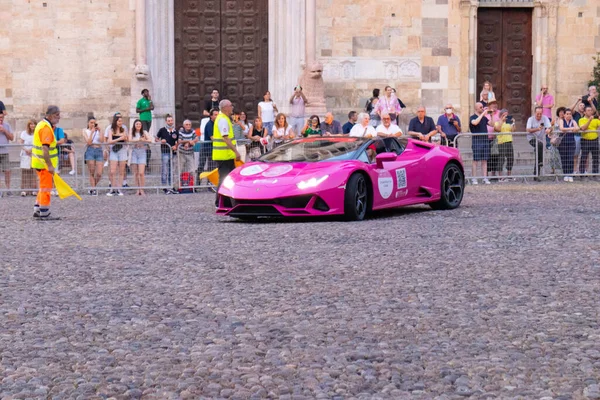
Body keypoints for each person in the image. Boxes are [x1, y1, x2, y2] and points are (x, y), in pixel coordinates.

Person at [31, 105, 60, 218]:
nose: (59, 117)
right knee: (46, 188)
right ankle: (44, 211)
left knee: (42, 187)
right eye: (57, 115)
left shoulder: (41, 124)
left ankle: (38, 208)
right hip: (44, 164)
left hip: (38, 162)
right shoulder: (46, 128)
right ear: (50, 115)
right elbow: (45, 148)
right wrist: (50, 165)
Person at [213, 99, 241, 207]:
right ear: (225, 108)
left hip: (227, 155)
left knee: (229, 179)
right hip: (223, 155)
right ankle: (219, 202)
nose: (232, 108)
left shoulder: (224, 118)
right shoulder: (223, 119)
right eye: (231, 106)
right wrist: (236, 151)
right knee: (224, 179)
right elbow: (225, 138)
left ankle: (228, 201)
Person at [526, 106, 552, 179]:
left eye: (540, 113)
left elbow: (550, 126)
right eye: (538, 114)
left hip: (541, 139)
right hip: (532, 138)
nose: (539, 115)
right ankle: (541, 161)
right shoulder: (530, 119)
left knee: (538, 153)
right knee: (539, 146)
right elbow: (528, 129)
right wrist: (537, 129)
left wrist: (549, 130)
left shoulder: (545, 118)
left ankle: (536, 174)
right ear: (535, 113)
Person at [155, 114, 179, 194]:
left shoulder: (176, 131)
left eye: (171, 120)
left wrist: (176, 146)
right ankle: (164, 187)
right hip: (165, 152)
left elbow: (178, 141)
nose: (170, 122)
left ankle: (171, 186)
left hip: (173, 153)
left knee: (172, 170)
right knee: (165, 170)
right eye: (168, 121)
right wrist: (161, 141)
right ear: (166, 121)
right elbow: (156, 139)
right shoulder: (162, 130)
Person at [469, 102, 491, 185]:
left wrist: (491, 115)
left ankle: (485, 177)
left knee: (484, 160)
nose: (482, 108)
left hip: (485, 140)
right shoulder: (472, 117)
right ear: (476, 108)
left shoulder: (484, 118)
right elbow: (475, 123)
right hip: (477, 140)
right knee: (475, 160)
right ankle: (474, 178)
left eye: (483, 107)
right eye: (481, 107)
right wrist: (483, 114)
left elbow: (492, 124)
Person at [107, 115, 128, 196]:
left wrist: (125, 138)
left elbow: (126, 140)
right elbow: (110, 141)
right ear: (115, 121)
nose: (120, 122)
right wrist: (119, 138)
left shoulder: (123, 130)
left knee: (121, 171)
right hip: (114, 151)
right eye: (119, 121)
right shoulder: (111, 130)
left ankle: (119, 189)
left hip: (122, 150)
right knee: (112, 171)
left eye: (121, 121)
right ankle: (112, 188)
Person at [129, 119, 152, 195]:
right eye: (137, 124)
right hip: (134, 152)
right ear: (134, 125)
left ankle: (142, 189)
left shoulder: (144, 132)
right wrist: (138, 140)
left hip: (142, 152)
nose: (138, 125)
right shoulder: (132, 132)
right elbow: (129, 140)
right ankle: (137, 189)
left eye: (139, 124)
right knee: (135, 173)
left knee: (141, 173)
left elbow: (150, 140)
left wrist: (144, 140)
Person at [83, 117, 103, 195]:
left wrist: (100, 131)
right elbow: (89, 142)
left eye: (94, 123)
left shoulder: (98, 131)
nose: (92, 124)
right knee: (91, 171)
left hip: (98, 150)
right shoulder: (85, 131)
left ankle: (92, 187)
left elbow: (102, 141)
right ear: (88, 123)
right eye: (91, 122)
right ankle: (94, 189)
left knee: (99, 173)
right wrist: (91, 132)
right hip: (90, 150)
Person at [197, 109, 218, 185]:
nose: (217, 116)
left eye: (217, 114)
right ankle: (198, 183)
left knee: (211, 167)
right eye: (215, 115)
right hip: (205, 147)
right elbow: (212, 138)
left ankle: (210, 183)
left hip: (212, 148)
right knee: (201, 165)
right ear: (211, 116)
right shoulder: (209, 124)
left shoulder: (216, 124)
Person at [558, 108, 579, 182]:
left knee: (570, 158)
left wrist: (572, 128)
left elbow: (577, 128)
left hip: (571, 142)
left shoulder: (573, 121)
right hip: (563, 142)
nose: (569, 115)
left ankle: (570, 174)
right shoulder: (561, 121)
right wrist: (571, 128)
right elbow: (562, 128)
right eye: (567, 114)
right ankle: (565, 174)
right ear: (564, 115)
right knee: (564, 159)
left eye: (570, 114)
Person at [493, 110, 515, 181]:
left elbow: (513, 130)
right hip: (501, 142)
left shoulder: (508, 123)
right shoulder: (497, 122)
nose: (506, 117)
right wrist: (502, 121)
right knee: (501, 159)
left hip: (509, 141)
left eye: (507, 115)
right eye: (504, 115)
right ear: (501, 115)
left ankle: (509, 174)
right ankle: (500, 176)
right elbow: (498, 129)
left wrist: (513, 123)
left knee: (511, 158)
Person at [578, 106, 600, 176]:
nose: (590, 112)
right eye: (588, 110)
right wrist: (589, 120)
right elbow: (583, 128)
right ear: (584, 112)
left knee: (596, 157)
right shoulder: (581, 120)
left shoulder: (596, 120)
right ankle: (582, 173)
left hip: (595, 140)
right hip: (585, 140)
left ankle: (595, 173)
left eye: (591, 110)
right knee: (584, 157)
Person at [19, 120, 37, 196]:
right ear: (29, 125)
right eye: (31, 124)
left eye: (34, 124)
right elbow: (20, 143)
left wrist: (31, 150)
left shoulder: (37, 133)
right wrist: (26, 150)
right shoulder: (24, 133)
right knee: (25, 172)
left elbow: (38, 143)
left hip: (34, 154)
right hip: (25, 154)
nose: (32, 126)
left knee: (33, 172)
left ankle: (33, 189)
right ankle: (24, 189)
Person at [0, 112, 14, 195]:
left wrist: (4, 131)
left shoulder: (7, 126)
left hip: (5, 152)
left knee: (7, 171)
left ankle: (8, 189)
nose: (1, 119)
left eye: (2, 117)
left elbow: (12, 138)